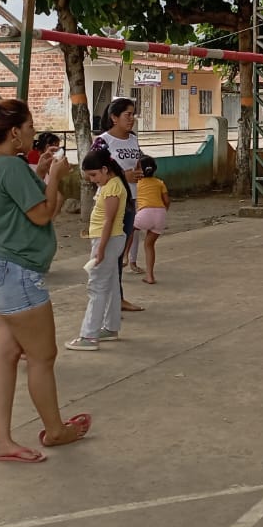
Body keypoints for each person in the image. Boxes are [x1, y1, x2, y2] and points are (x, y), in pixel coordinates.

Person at [0, 99, 87, 463]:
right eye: (29, 127)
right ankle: (55, 430)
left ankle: (1, 440)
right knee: (42, 356)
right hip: (17, 273)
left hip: (0, 268)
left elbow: (36, 208)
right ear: (14, 132)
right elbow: (43, 215)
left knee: (7, 355)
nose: (34, 133)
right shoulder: (11, 166)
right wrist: (55, 177)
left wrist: (43, 174)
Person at [65, 148, 129, 351]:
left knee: (97, 287)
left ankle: (89, 336)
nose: (92, 180)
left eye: (94, 175)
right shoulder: (111, 184)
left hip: (107, 241)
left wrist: (100, 249)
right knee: (110, 285)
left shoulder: (112, 187)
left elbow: (109, 221)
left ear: (105, 169)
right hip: (109, 240)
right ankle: (110, 327)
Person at [92, 97, 144, 312]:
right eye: (127, 115)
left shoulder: (133, 139)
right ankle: (107, 300)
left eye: (133, 115)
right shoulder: (103, 141)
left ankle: (117, 298)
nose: (132, 119)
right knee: (109, 250)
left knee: (120, 251)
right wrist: (123, 176)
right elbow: (90, 172)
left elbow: (136, 164)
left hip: (130, 200)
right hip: (110, 201)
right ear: (114, 117)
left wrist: (139, 172)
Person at [132, 155, 170, 284]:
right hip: (160, 214)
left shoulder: (137, 183)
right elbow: (167, 201)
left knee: (128, 231)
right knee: (149, 245)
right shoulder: (160, 183)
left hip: (145, 213)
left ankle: (125, 258)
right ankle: (150, 276)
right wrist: (162, 211)